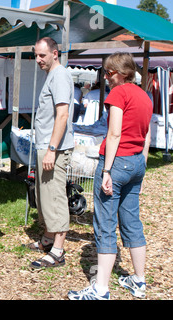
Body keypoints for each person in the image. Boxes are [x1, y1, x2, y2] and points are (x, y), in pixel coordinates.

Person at [68, 52, 152, 300]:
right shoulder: (144, 96)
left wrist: (106, 171)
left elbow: (114, 133)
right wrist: (142, 162)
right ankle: (139, 280)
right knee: (132, 221)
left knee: (105, 225)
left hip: (116, 163)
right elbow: (146, 134)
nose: (105, 77)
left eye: (109, 72)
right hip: (136, 161)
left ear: (121, 73)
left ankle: (101, 289)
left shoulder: (119, 93)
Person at [24, 37, 74, 270]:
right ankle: (47, 238)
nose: (38, 60)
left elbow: (62, 114)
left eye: (42, 55)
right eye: (36, 55)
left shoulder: (60, 75)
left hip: (54, 147)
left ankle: (58, 251)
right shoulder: (51, 75)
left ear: (55, 53)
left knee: (54, 196)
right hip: (46, 145)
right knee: (44, 195)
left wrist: (52, 149)